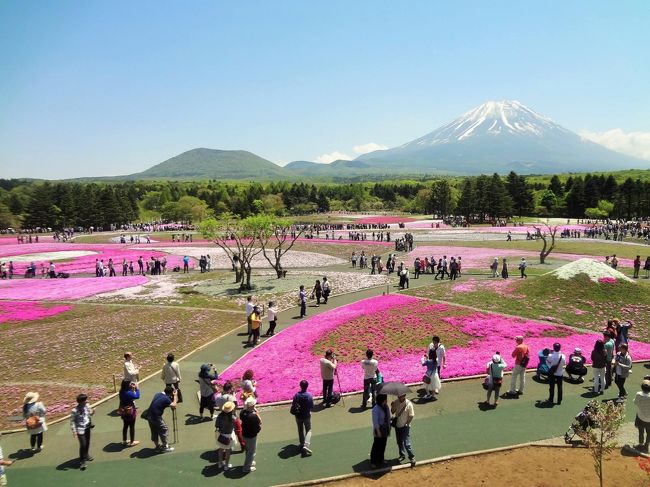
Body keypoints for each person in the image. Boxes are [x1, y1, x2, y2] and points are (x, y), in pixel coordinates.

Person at [146, 386, 177, 453]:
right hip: (156, 416)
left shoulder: (157, 394)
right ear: (170, 393)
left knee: (154, 430)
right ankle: (165, 447)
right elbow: (174, 405)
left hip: (149, 415)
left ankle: (157, 446)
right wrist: (175, 396)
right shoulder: (166, 398)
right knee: (164, 429)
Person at [70, 393, 94, 470]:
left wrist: (93, 412)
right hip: (80, 429)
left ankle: (86, 455)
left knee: (87, 442)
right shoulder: (74, 410)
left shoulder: (86, 406)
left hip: (87, 427)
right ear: (80, 402)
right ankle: (82, 461)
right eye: (85, 400)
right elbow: (72, 421)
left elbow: (89, 414)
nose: (86, 401)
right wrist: (74, 431)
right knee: (83, 444)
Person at [391, 393, 415, 467]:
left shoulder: (409, 404)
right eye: (398, 396)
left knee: (406, 443)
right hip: (398, 426)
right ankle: (402, 455)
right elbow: (392, 412)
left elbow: (411, 415)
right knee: (399, 442)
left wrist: (407, 424)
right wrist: (393, 406)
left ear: (404, 395)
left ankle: (412, 457)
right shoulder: (396, 402)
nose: (399, 397)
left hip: (405, 427)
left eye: (401, 396)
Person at [291, 380, 314, 456]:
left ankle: (301, 444)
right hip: (306, 416)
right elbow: (311, 406)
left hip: (298, 416)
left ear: (300, 386)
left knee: (300, 430)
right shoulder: (309, 395)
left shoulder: (296, 395)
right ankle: (306, 445)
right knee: (309, 430)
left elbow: (294, 404)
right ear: (307, 386)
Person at [240, 397, 262, 473]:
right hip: (251, 436)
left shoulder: (242, 412)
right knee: (251, 452)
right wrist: (257, 414)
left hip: (244, 434)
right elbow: (260, 423)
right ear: (252, 406)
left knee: (248, 450)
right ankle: (246, 468)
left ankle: (250, 462)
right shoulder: (253, 416)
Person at [370, 393, 390, 468]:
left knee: (383, 445)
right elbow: (375, 421)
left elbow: (388, 416)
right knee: (376, 445)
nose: (386, 400)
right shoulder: (376, 409)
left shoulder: (386, 407)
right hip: (378, 430)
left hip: (385, 429)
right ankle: (373, 461)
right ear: (382, 400)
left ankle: (381, 459)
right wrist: (378, 431)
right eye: (385, 399)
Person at [118, 381, 140, 447]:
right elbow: (137, 396)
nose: (131, 384)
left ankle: (124, 440)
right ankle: (132, 441)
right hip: (130, 411)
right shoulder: (128, 393)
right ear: (127, 385)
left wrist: (133, 389)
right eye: (130, 384)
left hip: (123, 410)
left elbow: (131, 396)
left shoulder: (121, 391)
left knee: (125, 426)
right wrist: (137, 389)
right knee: (132, 426)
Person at [215, 401, 236, 470]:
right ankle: (226, 465)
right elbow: (235, 426)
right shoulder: (233, 418)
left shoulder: (220, 416)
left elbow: (216, 425)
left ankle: (220, 463)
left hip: (221, 435)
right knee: (228, 451)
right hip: (229, 436)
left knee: (221, 449)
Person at [634, 380, 650, 452]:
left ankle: (640, 444)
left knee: (641, 431)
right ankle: (646, 446)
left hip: (640, 417)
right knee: (649, 433)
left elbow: (635, 402)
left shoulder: (638, 394)